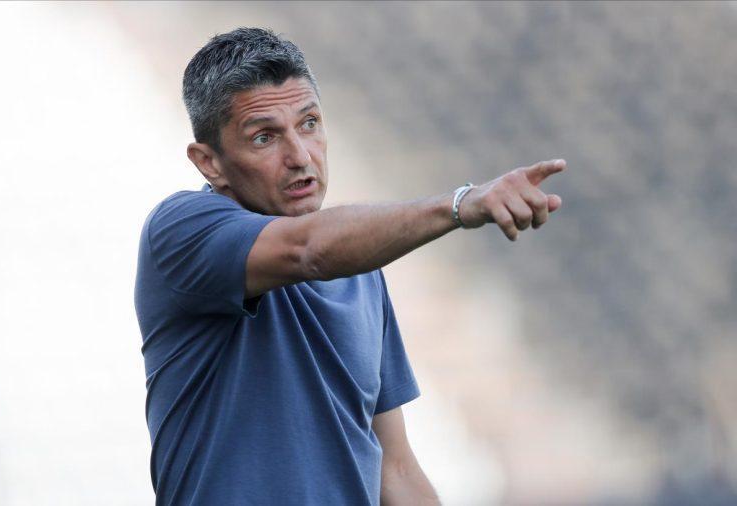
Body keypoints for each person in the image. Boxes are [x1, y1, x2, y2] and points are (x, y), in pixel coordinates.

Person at [134, 27, 566, 506]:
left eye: (309, 124)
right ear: (209, 162)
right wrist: (461, 204)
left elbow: (394, 467)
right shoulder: (181, 231)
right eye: (264, 137)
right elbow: (308, 250)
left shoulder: (360, 268)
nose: (300, 156)